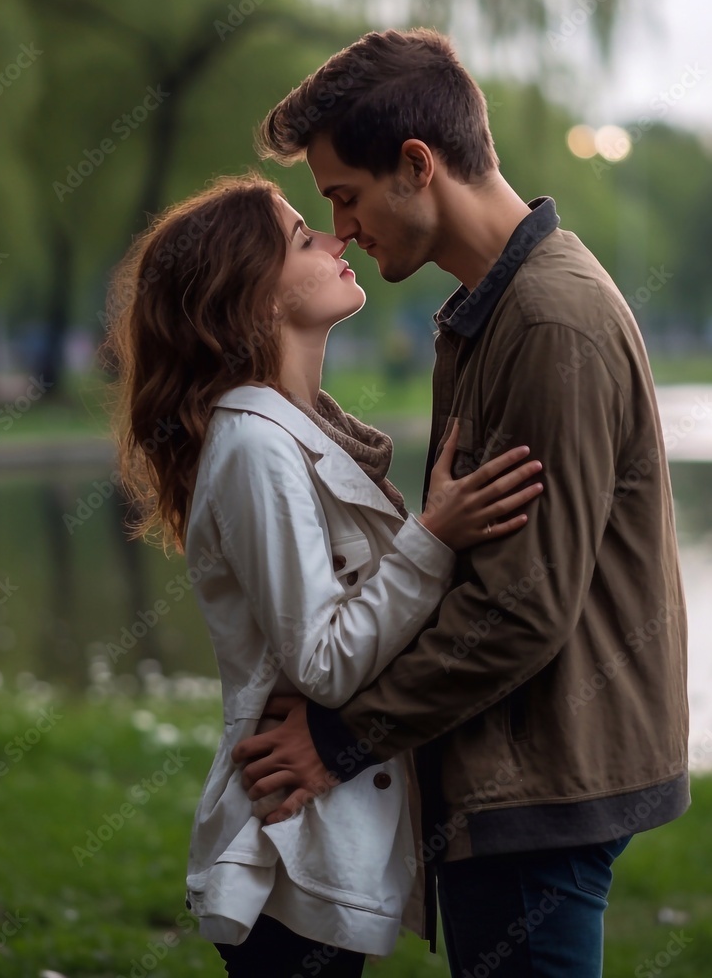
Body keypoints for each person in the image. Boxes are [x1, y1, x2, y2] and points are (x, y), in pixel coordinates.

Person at [234, 28, 691, 977]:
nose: (341, 228)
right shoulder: (497, 308)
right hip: (515, 773)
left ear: (417, 165)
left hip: (538, 779)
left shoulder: (549, 320)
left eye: (346, 196)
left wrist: (337, 741)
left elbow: (520, 606)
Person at [104, 173, 545, 977]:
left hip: (323, 832)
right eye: (303, 237)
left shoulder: (296, 433)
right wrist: (432, 537)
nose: (337, 237)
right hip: (288, 842)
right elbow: (322, 660)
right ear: (252, 296)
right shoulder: (254, 446)